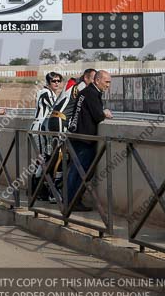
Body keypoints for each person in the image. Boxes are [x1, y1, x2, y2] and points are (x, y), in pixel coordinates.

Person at [66, 70, 113, 212]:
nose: (108, 85)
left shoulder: (85, 92)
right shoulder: (92, 93)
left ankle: (69, 200)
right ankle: (73, 201)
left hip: (76, 135)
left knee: (75, 170)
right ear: (97, 80)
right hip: (85, 139)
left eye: (109, 82)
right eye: (106, 82)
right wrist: (104, 113)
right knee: (81, 171)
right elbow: (97, 116)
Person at [30, 72, 62, 202]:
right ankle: (37, 189)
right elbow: (56, 110)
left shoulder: (48, 93)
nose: (57, 83)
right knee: (44, 158)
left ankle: (36, 189)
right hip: (40, 128)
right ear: (48, 82)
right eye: (54, 81)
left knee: (43, 159)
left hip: (42, 127)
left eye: (58, 81)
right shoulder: (46, 93)